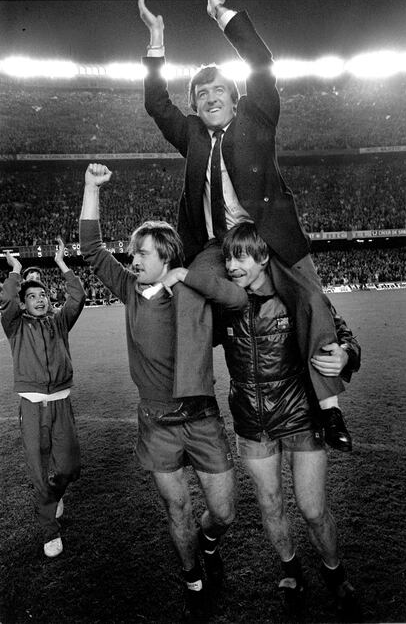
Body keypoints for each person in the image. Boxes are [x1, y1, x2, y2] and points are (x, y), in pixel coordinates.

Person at [139, 0, 354, 453]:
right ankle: (194, 400)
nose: (210, 98)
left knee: (312, 301)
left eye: (219, 91)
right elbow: (157, 104)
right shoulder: (193, 135)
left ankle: (329, 407)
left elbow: (261, 63)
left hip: (269, 238)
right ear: (195, 105)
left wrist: (224, 17)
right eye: (201, 94)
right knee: (190, 296)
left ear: (236, 100)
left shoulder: (258, 119)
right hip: (218, 245)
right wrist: (156, 44)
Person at [161, 222, 362, 620]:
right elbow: (189, 330)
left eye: (241, 257)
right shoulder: (223, 303)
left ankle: (334, 572)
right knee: (270, 506)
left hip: (300, 416)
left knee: (313, 509)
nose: (232, 267)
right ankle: (290, 571)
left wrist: (347, 354)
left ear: (264, 257)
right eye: (228, 258)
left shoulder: (296, 294)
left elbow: (340, 334)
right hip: (251, 421)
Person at [79, 162, 246, 622]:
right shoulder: (131, 290)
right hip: (156, 423)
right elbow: (91, 249)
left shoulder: (191, 291)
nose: (134, 261)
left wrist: (186, 279)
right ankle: (192, 576)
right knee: (177, 508)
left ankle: (208, 546)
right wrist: (91, 188)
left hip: (202, 417)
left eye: (144, 255)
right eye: (133, 254)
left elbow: (238, 300)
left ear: (168, 257)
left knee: (224, 512)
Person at [0, 239, 84, 558]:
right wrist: (17, 273)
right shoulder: (15, 327)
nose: (39, 299)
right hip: (32, 407)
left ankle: (54, 493)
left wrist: (63, 265)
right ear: (23, 304)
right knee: (38, 470)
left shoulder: (60, 322)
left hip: (61, 403)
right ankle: (50, 530)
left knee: (69, 466)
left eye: (43, 295)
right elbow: (7, 298)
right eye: (32, 296)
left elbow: (77, 297)